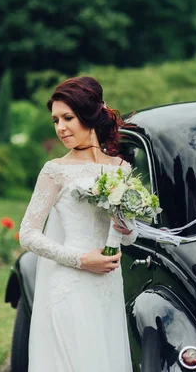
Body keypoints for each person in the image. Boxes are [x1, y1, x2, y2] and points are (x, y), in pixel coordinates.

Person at [19, 76, 137, 371]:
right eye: (56, 120)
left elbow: (129, 238)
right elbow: (28, 234)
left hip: (107, 287)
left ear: (90, 115)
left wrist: (124, 225)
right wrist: (81, 260)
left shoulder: (121, 169)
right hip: (70, 285)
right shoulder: (55, 171)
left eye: (67, 118)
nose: (60, 127)